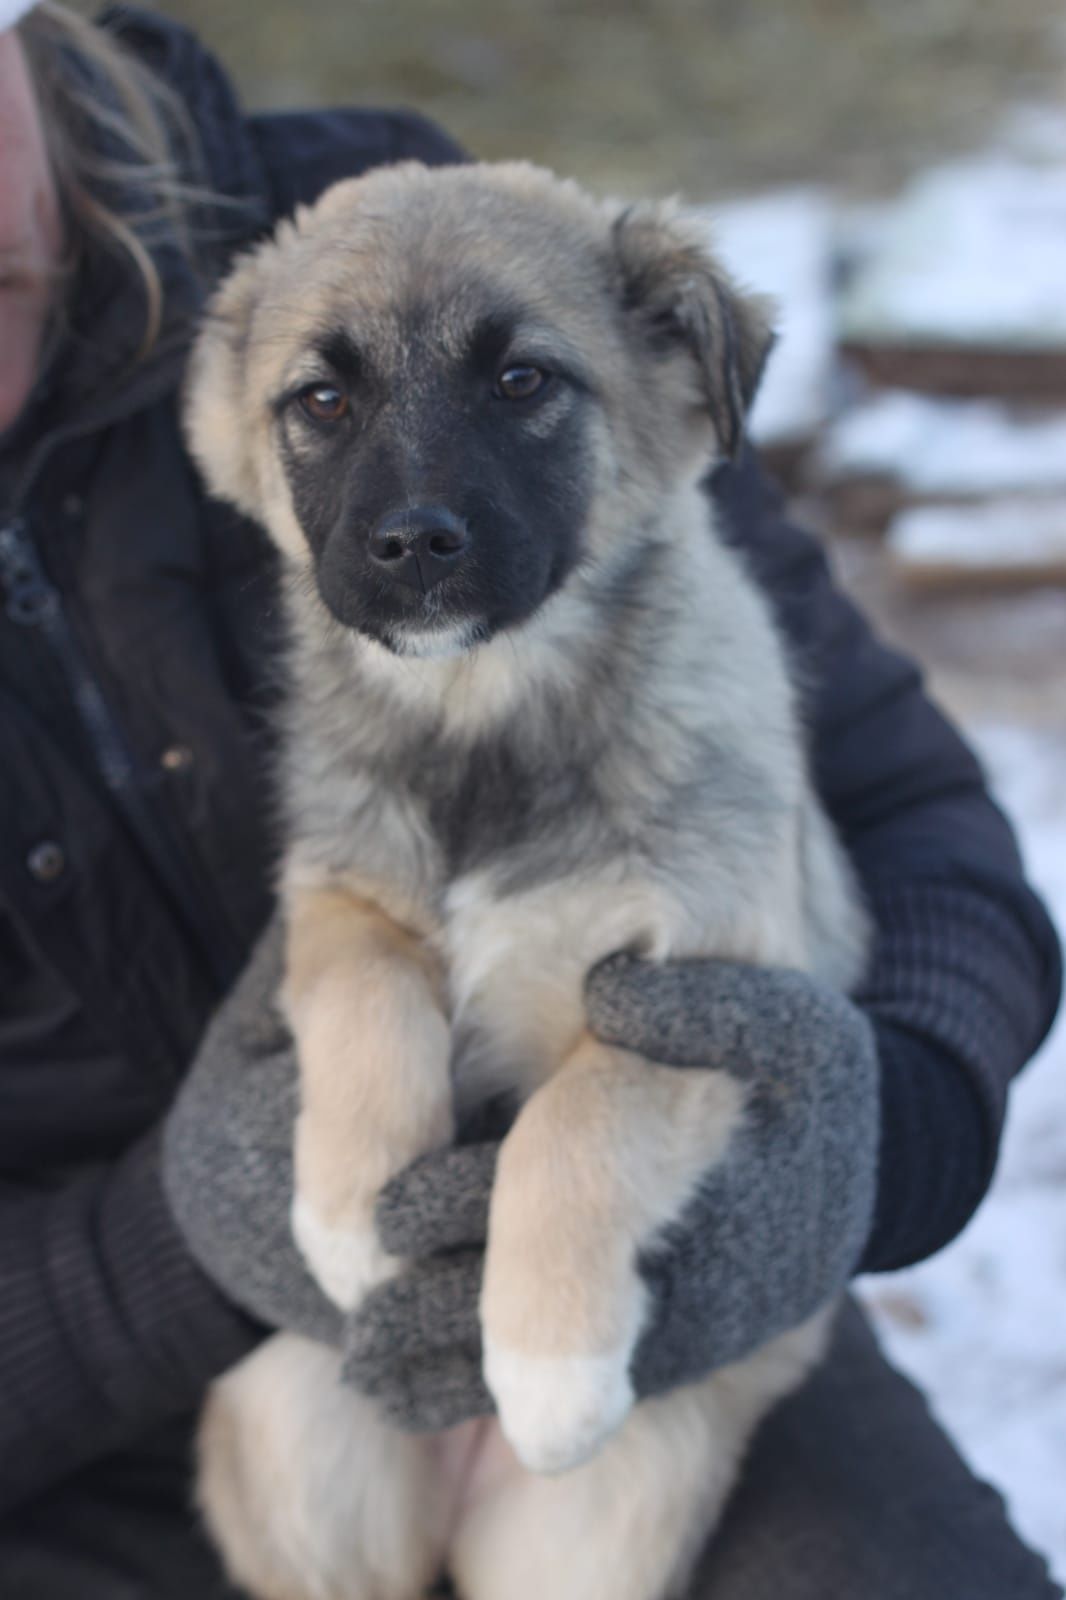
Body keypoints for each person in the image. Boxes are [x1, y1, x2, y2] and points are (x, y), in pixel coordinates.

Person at [0, 4, 1060, 1597]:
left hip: (666, 1295)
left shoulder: (422, 223)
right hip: (97, 1419)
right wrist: (190, 1239)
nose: (414, 511)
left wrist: (878, 1134)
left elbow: (912, 815)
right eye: (328, 407)